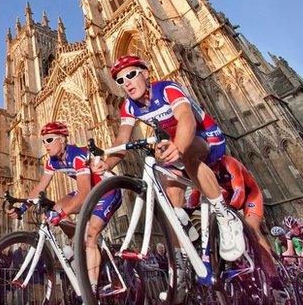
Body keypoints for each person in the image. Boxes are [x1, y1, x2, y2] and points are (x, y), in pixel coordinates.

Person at [93, 55, 245, 301]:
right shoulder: (129, 106)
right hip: (174, 145)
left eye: (131, 75)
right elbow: (122, 141)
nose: (127, 82)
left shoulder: (167, 89)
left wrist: (180, 146)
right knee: (171, 205)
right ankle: (182, 264)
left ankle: (224, 214)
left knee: (181, 155)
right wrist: (106, 162)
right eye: (121, 80)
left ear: (145, 73)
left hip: (205, 137)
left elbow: (185, 118)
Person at [6, 121, 122, 296]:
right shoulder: (52, 162)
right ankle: (81, 245)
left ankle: (90, 291)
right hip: (90, 190)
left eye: (49, 140)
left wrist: (62, 213)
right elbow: (39, 189)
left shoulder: (77, 156)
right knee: (53, 208)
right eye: (43, 141)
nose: (45, 145)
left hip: (107, 190)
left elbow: (84, 194)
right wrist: (22, 208)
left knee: (90, 235)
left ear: (62, 140)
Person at [190, 155, 281, 288]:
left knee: (251, 229)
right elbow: (194, 194)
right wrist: (189, 207)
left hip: (249, 196)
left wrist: (231, 210)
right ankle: (237, 266)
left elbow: (240, 189)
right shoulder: (202, 169)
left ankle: (273, 275)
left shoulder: (228, 163)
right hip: (227, 200)